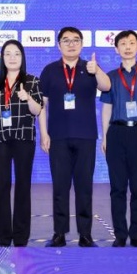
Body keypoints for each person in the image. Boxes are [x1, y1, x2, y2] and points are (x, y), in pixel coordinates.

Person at [39, 26, 111, 248]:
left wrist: (96, 70)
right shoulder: (49, 70)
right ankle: (59, 234)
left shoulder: (90, 67)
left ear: (81, 44)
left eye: (76, 40)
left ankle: (85, 235)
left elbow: (107, 86)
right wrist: (43, 133)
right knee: (60, 188)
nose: (71, 44)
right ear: (58, 44)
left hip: (86, 136)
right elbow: (42, 105)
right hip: (58, 136)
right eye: (66, 40)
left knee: (84, 187)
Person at [99, 30, 137, 248]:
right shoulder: (110, 76)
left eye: (132, 43)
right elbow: (106, 108)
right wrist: (104, 136)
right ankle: (120, 235)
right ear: (116, 49)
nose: (127, 47)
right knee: (117, 187)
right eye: (123, 43)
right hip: (116, 133)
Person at [0, 40, 43, 247]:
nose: (12, 57)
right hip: (0, 139)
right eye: (8, 54)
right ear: (2, 58)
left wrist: (27, 97)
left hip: (24, 138)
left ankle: (20, 236)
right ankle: (3, 236)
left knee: (23, 185)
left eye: (17, 53)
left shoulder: (32, 81)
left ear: (22, 57)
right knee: (1, 186)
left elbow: (38, 110)